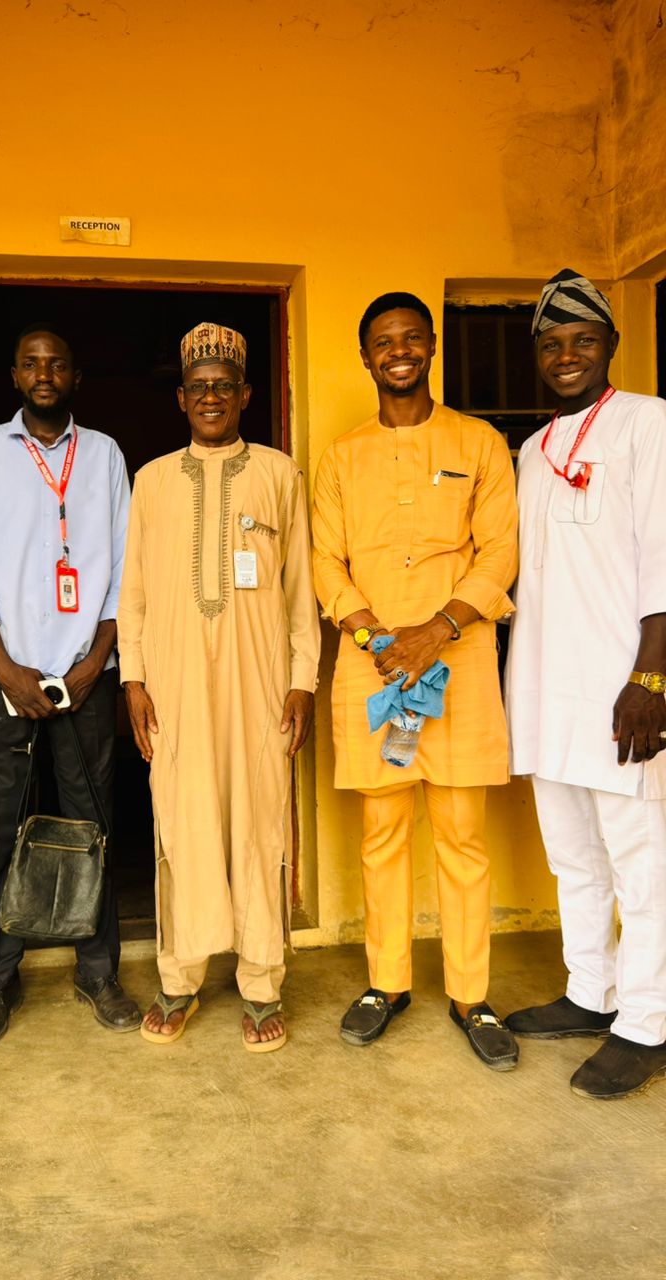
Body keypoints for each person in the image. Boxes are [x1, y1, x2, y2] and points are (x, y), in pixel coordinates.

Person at [312, 292, 520, 1070]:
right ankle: (387, 984)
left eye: (410, 338)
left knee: (462, 833)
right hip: (378, 668)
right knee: (383, 831)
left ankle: (471, 994)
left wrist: (436, 631)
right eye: (383, 342)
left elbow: (500, 550)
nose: (397, 351)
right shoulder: (342, 456)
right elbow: (326, 560)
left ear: (431, 345)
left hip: (456, 661)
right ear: (365, 357)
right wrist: (376, 637)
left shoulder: (480, 442)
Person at [117, 321, 319, 1052]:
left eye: (223, 387)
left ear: (245, 395)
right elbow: (133, 590)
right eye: (198, 387)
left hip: (260, 683)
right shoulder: (151, 480)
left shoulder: (278, 474)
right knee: (183, 822)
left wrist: (302, 680)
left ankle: (261, 982)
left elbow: (300, 589)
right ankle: (180, 978)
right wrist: (133, 678)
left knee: (259, 823)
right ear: (181, 398)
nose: (211, 398)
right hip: (173, 684)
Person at [0, 323, 140, 1043]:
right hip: (7, 675)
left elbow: (126, 565)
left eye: (56, 363)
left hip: (87, 674)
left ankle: (98, 971)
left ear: (75, 377)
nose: (44, 373)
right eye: (31, 363)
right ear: (15, 376)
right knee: (2, 831)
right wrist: (1, 665)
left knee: (93, 828)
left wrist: (97, 661)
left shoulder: (106, 454)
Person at [504, 269, 666, 1099]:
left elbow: (664, 554)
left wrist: (651, 675)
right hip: (546, 687)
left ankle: (646, 1022)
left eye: (584, 341)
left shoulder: (648, 422)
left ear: (611, 345)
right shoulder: (532, 450)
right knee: (572, 855)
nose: (567, 356)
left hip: (621, 688)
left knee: (641, 859)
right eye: (552, 344)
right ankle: (590, 990)